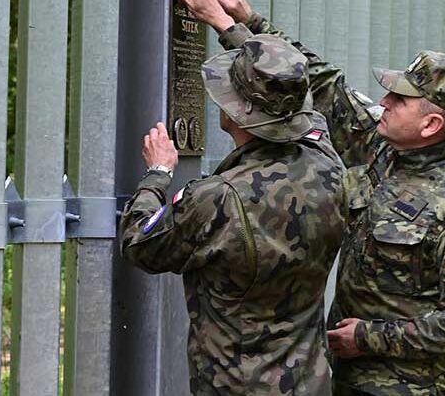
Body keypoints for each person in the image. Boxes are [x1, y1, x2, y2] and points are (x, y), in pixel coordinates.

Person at [172, 0, 445, 396]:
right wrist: (242, 24)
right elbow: (321, 83)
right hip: (336, 374)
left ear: (431, 125)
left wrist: (369, 337)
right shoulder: (379, 147)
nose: (384, 101)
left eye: (399, 99)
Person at [118, 33, 347, 395]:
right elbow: (312, 108)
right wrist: (235, 27)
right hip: (310, 382)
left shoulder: (219, 198)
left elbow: (138, 242)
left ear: (234, 109)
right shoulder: (328, 165)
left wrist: (157, 175)